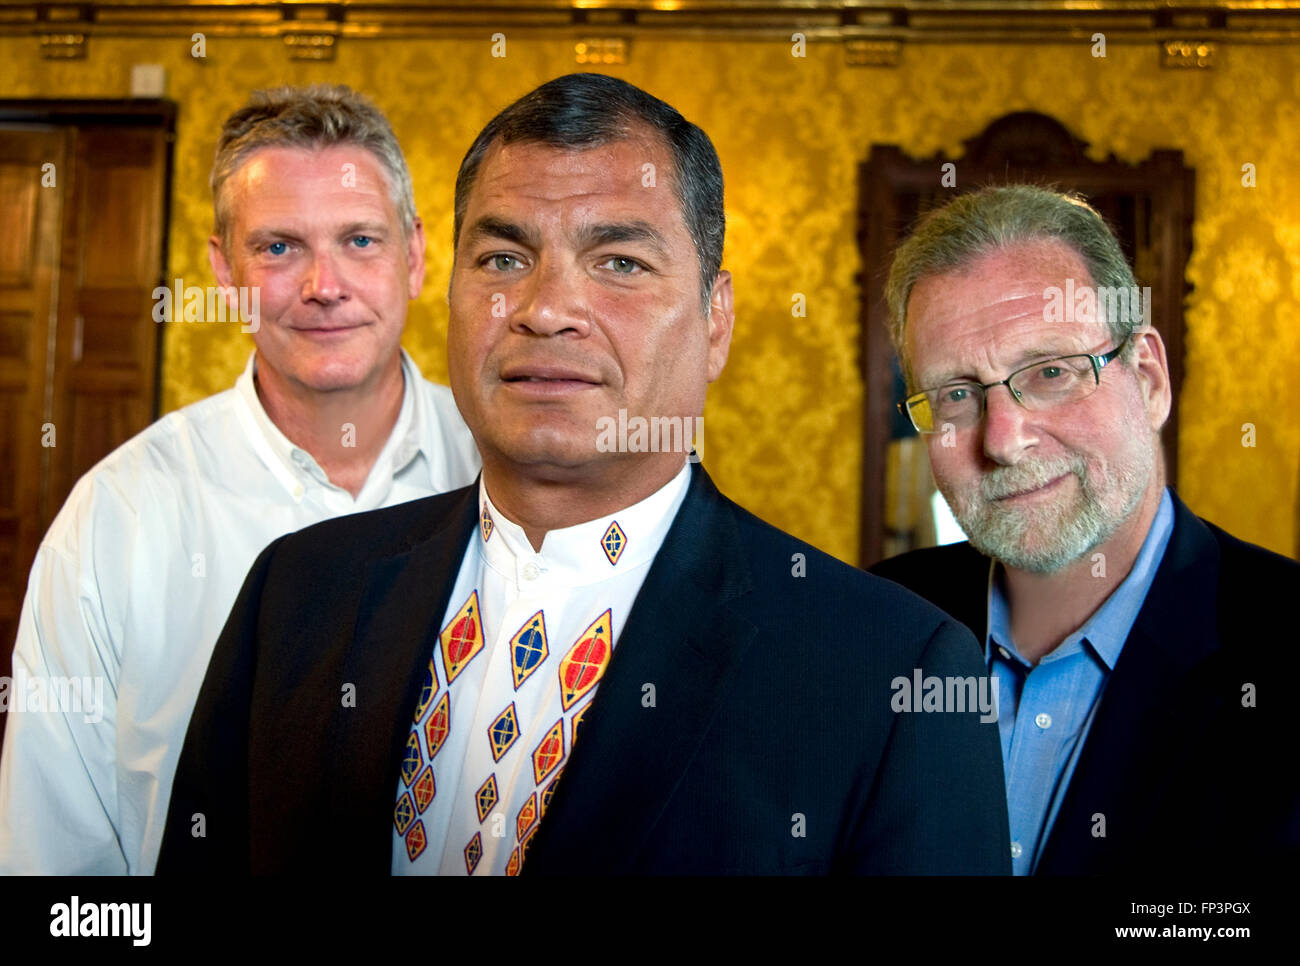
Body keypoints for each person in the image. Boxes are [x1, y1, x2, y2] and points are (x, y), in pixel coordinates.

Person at [156, 73, 1010, 876]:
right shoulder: (296, 593)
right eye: (500, 259)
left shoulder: (888, 673)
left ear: (717, 320)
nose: (547, 308)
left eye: (620, 263)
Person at [0, 85, 481, 874]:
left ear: (416, 255)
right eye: (279, 248)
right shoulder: (116, 516)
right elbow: (52, 858)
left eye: (360, 240)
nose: (325, 284)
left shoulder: (515, 482)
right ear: (224, 270)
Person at [871, 184, 1300, 875]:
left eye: (1050, 372)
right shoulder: (875, 625)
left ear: (1150, 379)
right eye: (957, 394)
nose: (1005, 439)